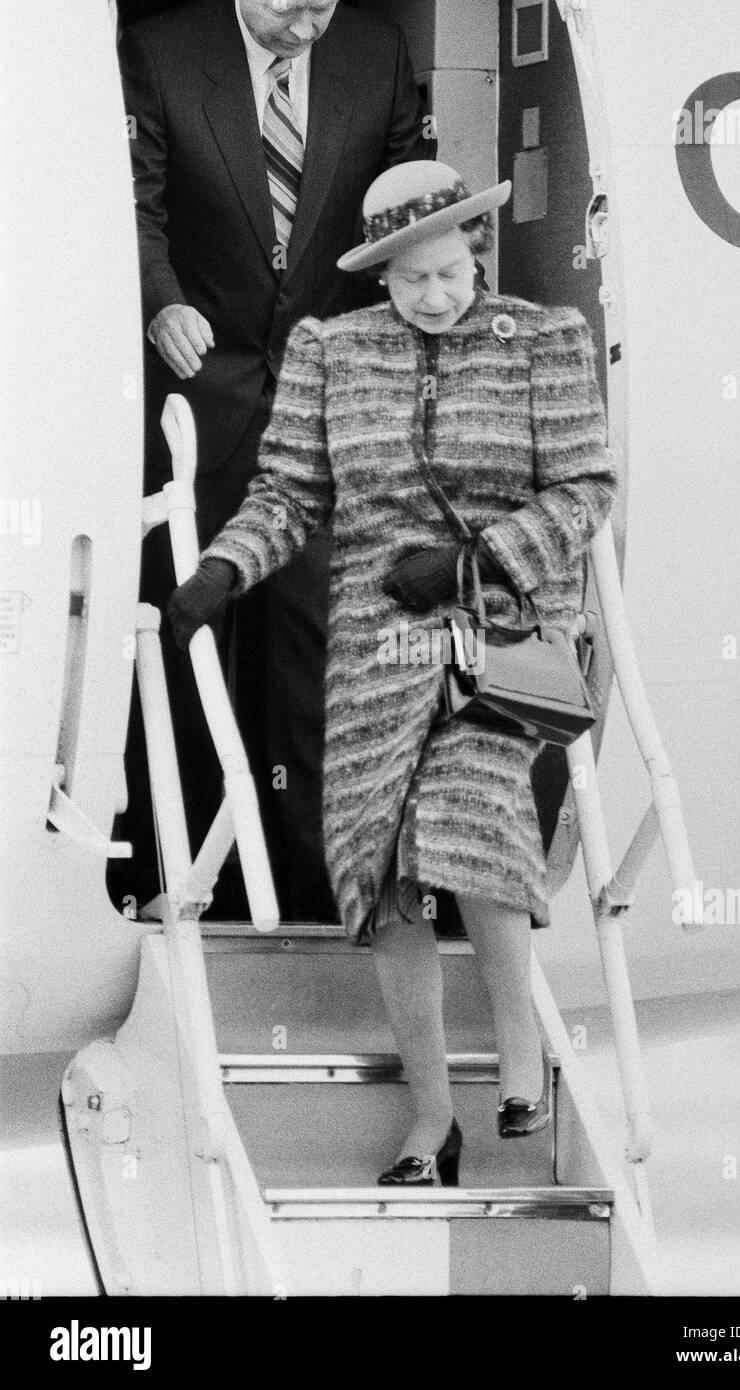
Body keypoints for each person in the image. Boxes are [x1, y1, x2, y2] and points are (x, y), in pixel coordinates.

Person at [169, 162, 617, 1184]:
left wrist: (475, 562)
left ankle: (517, 1066)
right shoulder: (331, 351)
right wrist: (218, 569)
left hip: (499, 633)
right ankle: (430, 1118)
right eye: (412, 280)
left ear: (477, 256)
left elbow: (588, 487)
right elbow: (288, 493)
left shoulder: (544, 340)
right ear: (381, 277)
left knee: (467, 814)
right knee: (382, 873)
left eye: (452, 274)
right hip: (378, 648)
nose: (435, 297)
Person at [116, 0, 433, 922]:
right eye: (287, 7)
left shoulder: (376, 53)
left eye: (322, 7)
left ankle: (311, 884)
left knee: (315, 633)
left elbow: (408, 207)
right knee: (187, 624)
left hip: (326, 383)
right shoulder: (161, 53)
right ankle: (176, 874)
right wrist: (159, 301)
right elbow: (131, 201)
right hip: (200, 382)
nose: (307, 26)